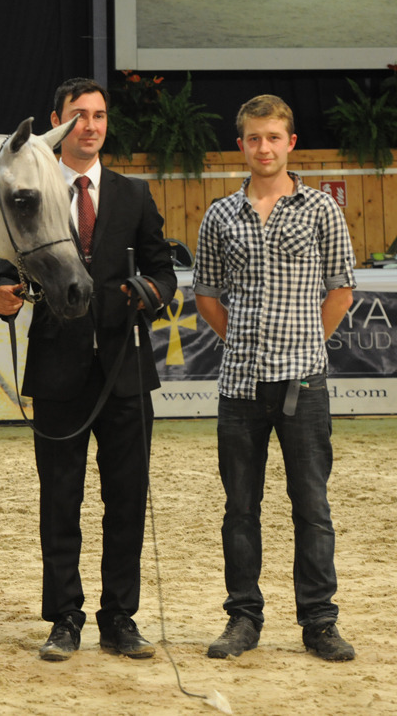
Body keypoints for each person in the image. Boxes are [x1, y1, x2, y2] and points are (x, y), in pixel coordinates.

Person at [0, 77, 176, 662]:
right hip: (56, 371)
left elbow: (165, 275)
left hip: (125, 371)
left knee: (126, 499)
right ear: (57, 121)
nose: (91, 126)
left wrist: (142, 292)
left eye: (99, 116)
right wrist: (2, 293)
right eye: (79, 116)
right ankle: (64, 618)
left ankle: (120, 617)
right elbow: (3, 268)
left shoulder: (133, 194)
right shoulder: (27, 188)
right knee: (60, 501)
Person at [194, 94, 357, 662]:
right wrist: (240, 340)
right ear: (240, 146)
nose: (264, 147)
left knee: (312, 506)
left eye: (274, 137)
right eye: (253, 138)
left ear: (290, 142)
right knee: (240, 509)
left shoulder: (321, 210)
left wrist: (302, 342)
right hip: (239, 388)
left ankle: (319, 622)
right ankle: (243, 617)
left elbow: (341, 288)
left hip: (304, 385)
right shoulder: (219, 215)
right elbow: (207, 294)